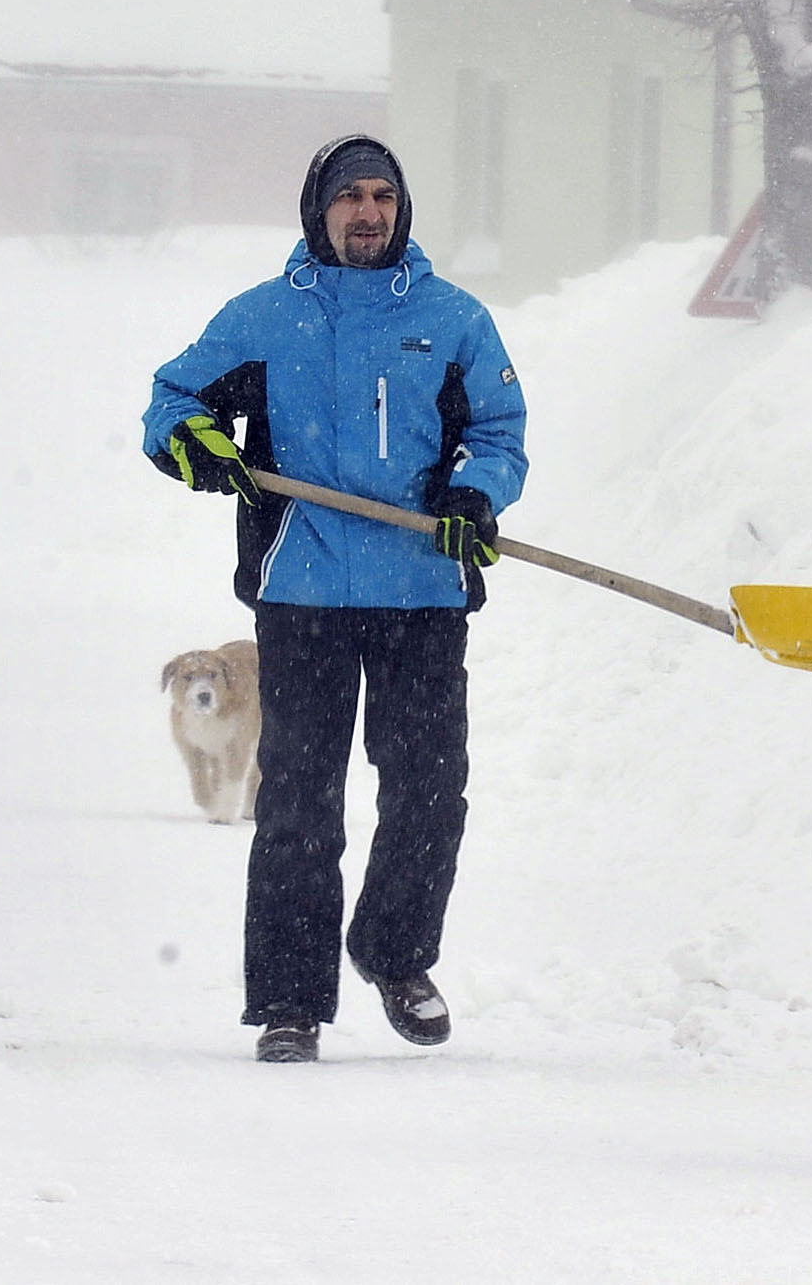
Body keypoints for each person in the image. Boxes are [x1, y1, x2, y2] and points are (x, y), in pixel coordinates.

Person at [143, 135, 529, 1065]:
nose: (368, 211)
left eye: (382, 196)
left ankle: (394, 953)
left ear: (401, 209)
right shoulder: (264, 319)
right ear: (318, 209)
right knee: (300, 804)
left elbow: (499, 430)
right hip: (302, 589)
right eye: (350, 196)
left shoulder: (454, 320)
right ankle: (288, 1001)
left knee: (431, 792)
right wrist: (197, 442)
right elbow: (171, 399)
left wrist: (475, 493)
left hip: (421, 591)